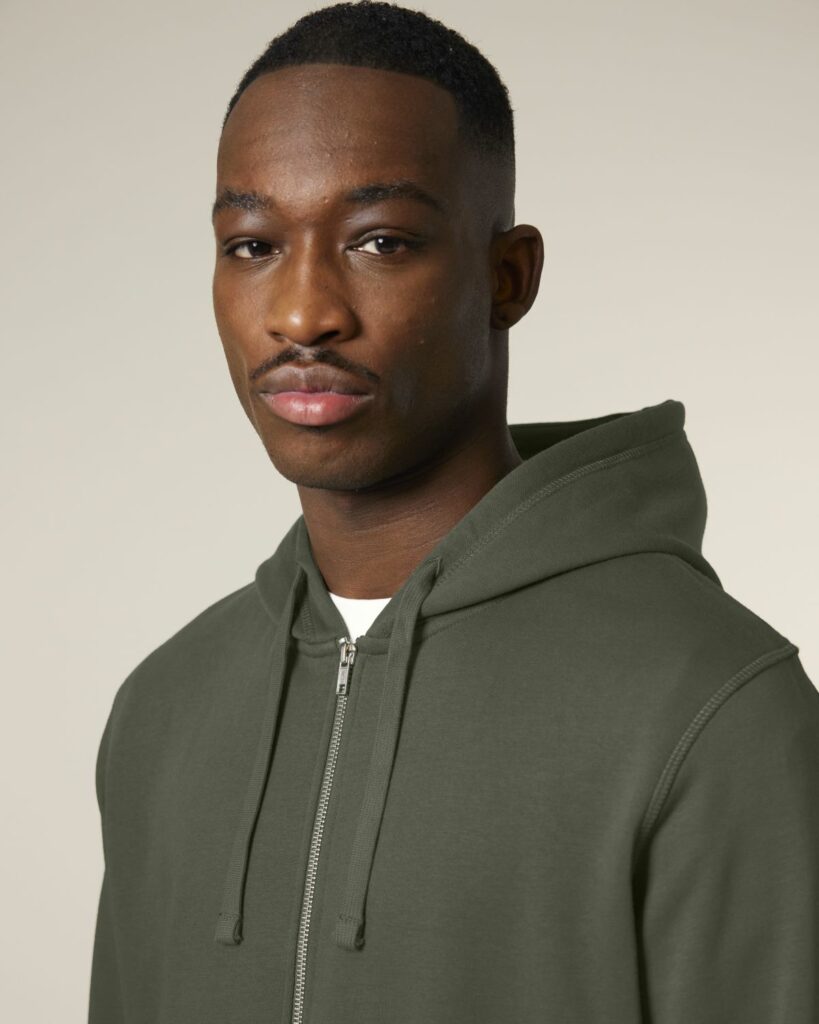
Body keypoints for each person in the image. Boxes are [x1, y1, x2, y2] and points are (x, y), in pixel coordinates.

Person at [88, 3, 819, 1022]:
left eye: (380, 241)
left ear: (506, 276)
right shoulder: (164, 708)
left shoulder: (708, 704)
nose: (301, 314)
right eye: (252, 245)